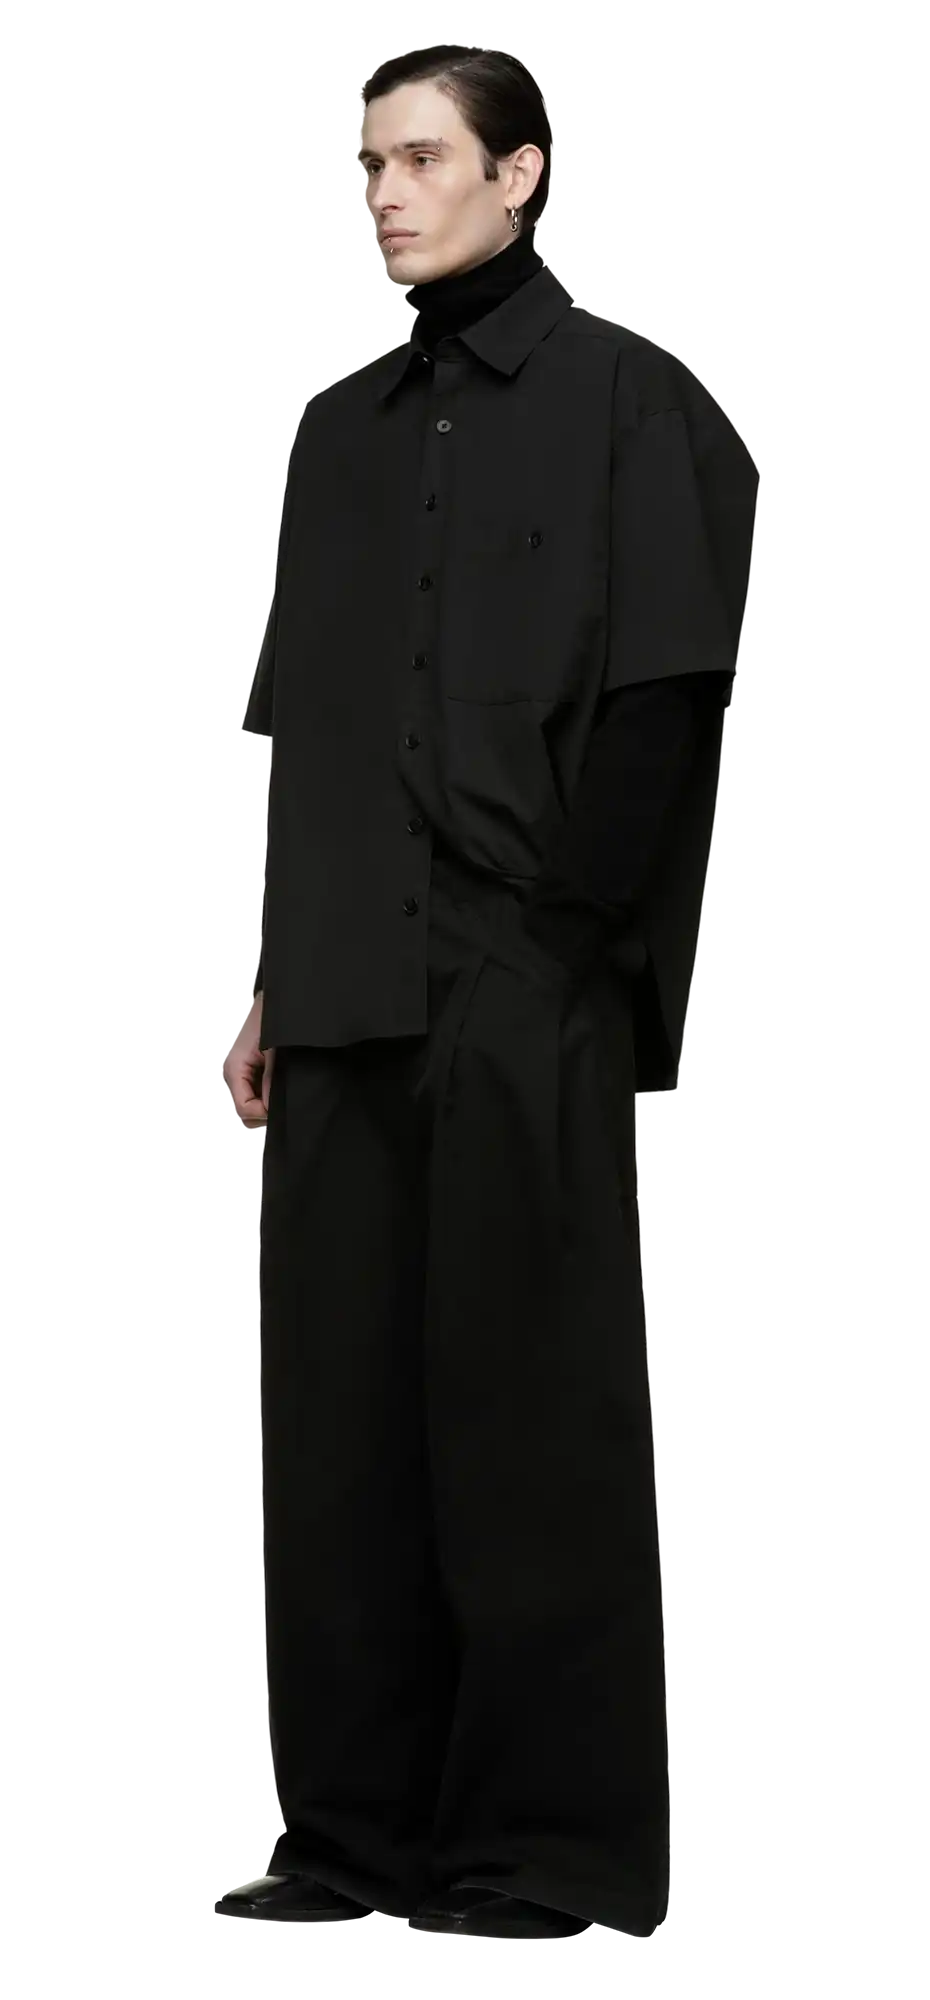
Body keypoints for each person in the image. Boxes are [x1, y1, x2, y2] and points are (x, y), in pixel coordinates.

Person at [215, 44, 760, 1944]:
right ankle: (353, 1839)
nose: (383, 195)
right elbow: (310, 732)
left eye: (420, 158)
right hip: (345, 974)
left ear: (517, 173)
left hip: (528, 970)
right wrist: (268, 980)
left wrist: (570, 942)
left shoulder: (635, 402)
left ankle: (551, 1852)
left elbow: (667, 694)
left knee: (530, 1416)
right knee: (340, 1422)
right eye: (366, 163)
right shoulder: (335, 434)